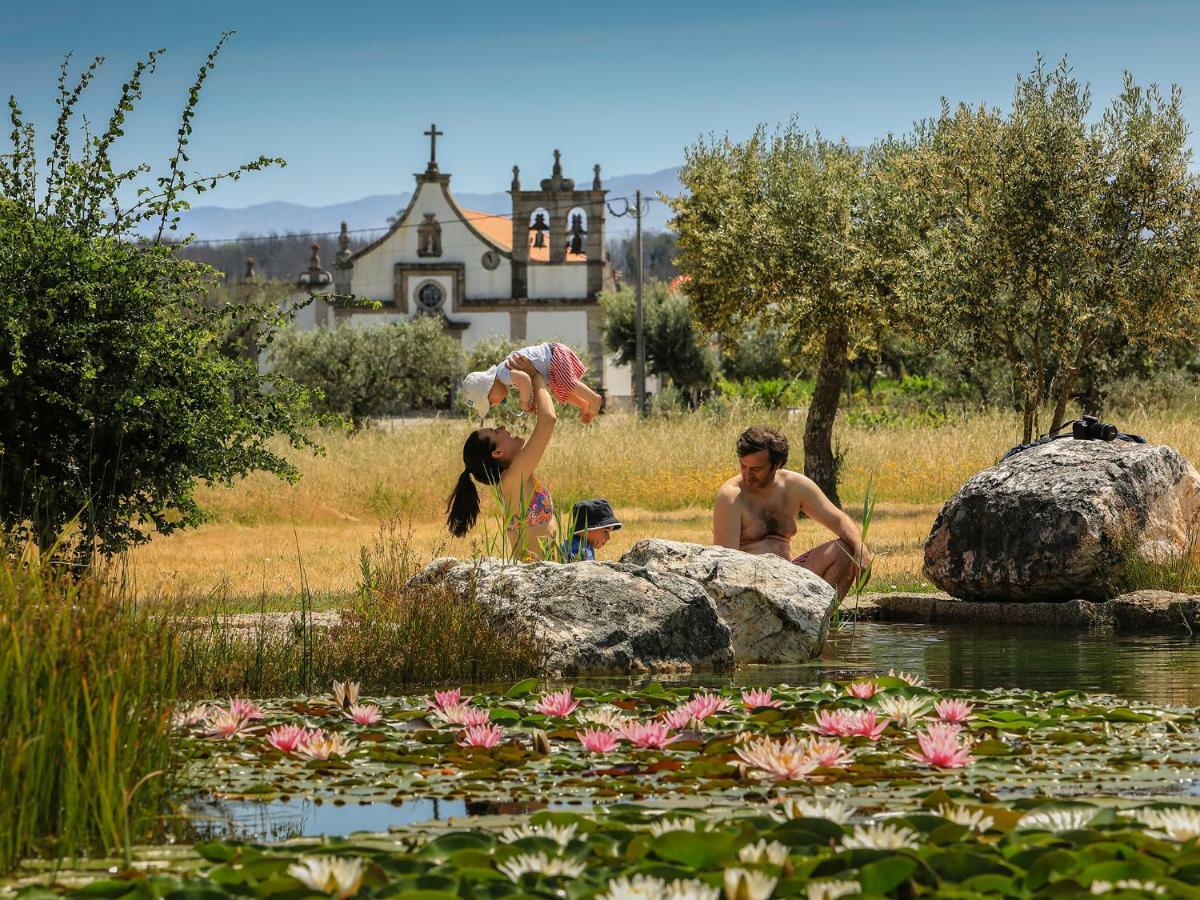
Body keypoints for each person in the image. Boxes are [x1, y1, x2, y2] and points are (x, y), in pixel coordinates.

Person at [712, 425, 872, 599]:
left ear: (777, 464)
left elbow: (838, 520)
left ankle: (823, 624)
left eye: (756, 469)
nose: (747, 474)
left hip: (790, 577)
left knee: (844, 550)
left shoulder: (795, 487)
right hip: (750, 588)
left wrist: (860, 548)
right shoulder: (731, 496)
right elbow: (726, 563)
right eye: (743, 466)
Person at [446, 354, 560, 559]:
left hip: (543, 574)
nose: (503, 427)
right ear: (497, 452)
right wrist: (535, 375)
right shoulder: (513, 478)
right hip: (535, 579)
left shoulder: (512, 477)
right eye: (496, 431)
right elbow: (548, 420)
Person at [460, 341, 602, 424]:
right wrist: (532, 400)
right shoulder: (505, 380)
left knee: (567, 383)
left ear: (489, 388)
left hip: (554, 355)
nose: (496, 404)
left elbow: (525, 380)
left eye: (491, 402)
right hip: (551, 365)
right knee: (559, 391)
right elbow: (530, 383)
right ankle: (584, 404)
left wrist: (524, 401)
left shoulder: (503, 374)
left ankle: (594, 398)